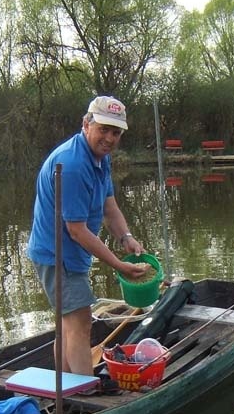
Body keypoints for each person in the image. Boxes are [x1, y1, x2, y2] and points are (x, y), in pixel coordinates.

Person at [27, 96, 148, 376]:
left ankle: (69, 388)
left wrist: (125, 237)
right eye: (103, 129)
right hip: (57, 254)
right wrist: (119, 265)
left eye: (115, 132)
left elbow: (109, 206)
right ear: (86, 124)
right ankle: (85, 393)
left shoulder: (99, 158)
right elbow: (76, 230)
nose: (109, 138)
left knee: (69, 324)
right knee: (80, 323)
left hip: (72, 253)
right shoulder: (72, 164)